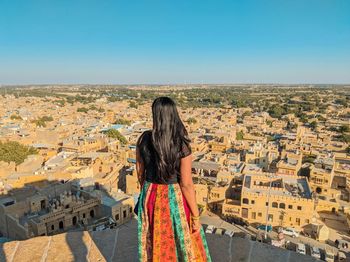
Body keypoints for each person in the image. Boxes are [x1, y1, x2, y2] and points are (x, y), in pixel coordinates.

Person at [136, 97, 212, 262]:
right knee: (180, 238)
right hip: (173, 198)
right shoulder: (181, 145)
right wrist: (196, 216)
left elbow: (140, 172)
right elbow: (186, 184)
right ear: (173, 115)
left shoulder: (143, 139)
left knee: (154, 237)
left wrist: (145, 194)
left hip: (150, 195)